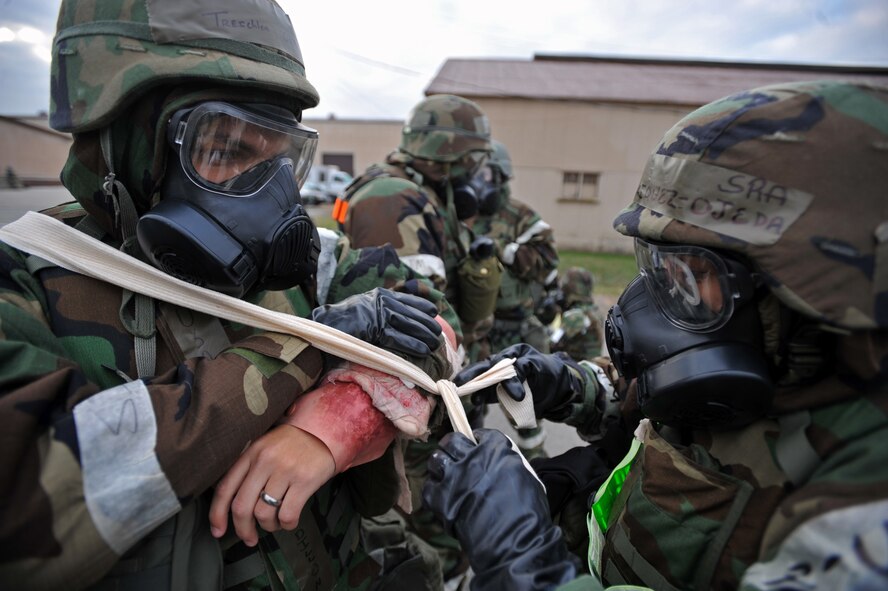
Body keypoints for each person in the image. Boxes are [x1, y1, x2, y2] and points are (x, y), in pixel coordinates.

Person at [0, 1, 462, 589]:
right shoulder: (23, 279)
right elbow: (30, 500)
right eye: (227, 150)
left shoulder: (315, 265)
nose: (269, 197)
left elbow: (439, 328)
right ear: (128, 139)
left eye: (279, 158)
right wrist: (308, 349)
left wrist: (340, 422)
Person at [422, 80, 888, 590]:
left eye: (693, 274)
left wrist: (524, 564)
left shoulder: (867, 515)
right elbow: (648, 406)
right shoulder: (770, 367)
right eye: (659, 267)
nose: (654, 305)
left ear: (809, 295)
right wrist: (565, 386)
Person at [332, 94, 502, 585]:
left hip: (418, 396)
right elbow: (414, 321)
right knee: (420, 528)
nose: (476, 174)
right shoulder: (395, 200)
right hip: (405, 402)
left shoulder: (416, 193)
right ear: (452, 155)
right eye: (472, 161)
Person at [469, 139, 560, 458]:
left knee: (522, 405)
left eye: (486, 175)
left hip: (514, 328)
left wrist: (505, 250)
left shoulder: (521, 216)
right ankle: (467, 463)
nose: (479, 183)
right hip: (474, 328)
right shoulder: (462, 212)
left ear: (501, 176)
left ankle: (538, 465)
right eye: (473, 174)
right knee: (466, 400)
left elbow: (548, 261)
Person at [550, 267, 606, 362]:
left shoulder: (575, 316)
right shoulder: (594, 311)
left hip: (578, 370)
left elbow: (551, 344)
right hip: (594, 367)